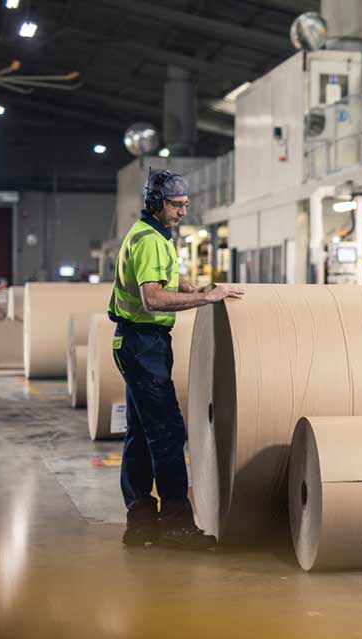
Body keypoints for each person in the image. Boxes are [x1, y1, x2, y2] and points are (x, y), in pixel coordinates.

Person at [109, 169, 243, 549]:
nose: (183, 211)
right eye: (175, 204)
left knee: (140, 433)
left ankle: (140, 522)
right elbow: (152, 297)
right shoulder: (150, 241)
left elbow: (170, 281)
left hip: (141, 343)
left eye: (185, 204)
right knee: (167, 431)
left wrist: (196, 288)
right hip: (143, 344)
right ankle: (176, 524)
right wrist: (206, 299)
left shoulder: (156, 236)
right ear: (156, 203)